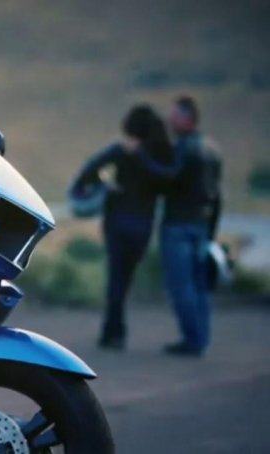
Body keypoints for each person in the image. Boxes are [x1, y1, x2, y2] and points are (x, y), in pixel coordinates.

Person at [70, 105, 174, 349]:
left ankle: (113, 331)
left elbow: (87, 171)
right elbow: (167, 181)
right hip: (143, 223)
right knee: (125, 277)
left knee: (116, 276)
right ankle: (115, 328)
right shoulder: (159, 155)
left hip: (117, 220)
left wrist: (104, 184)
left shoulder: (121, 151)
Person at [160, 95, 222, 356]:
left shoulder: (183, 149)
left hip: (178, 224)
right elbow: (217, 195)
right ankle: (200, 339)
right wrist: (211, 232)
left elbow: (167, 179)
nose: (170, 121)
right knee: (199, 287)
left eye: (175, 116)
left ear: (188, 118)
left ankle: (192, 340)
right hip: (201, 225)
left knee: (181, 286)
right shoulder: (212, 150)